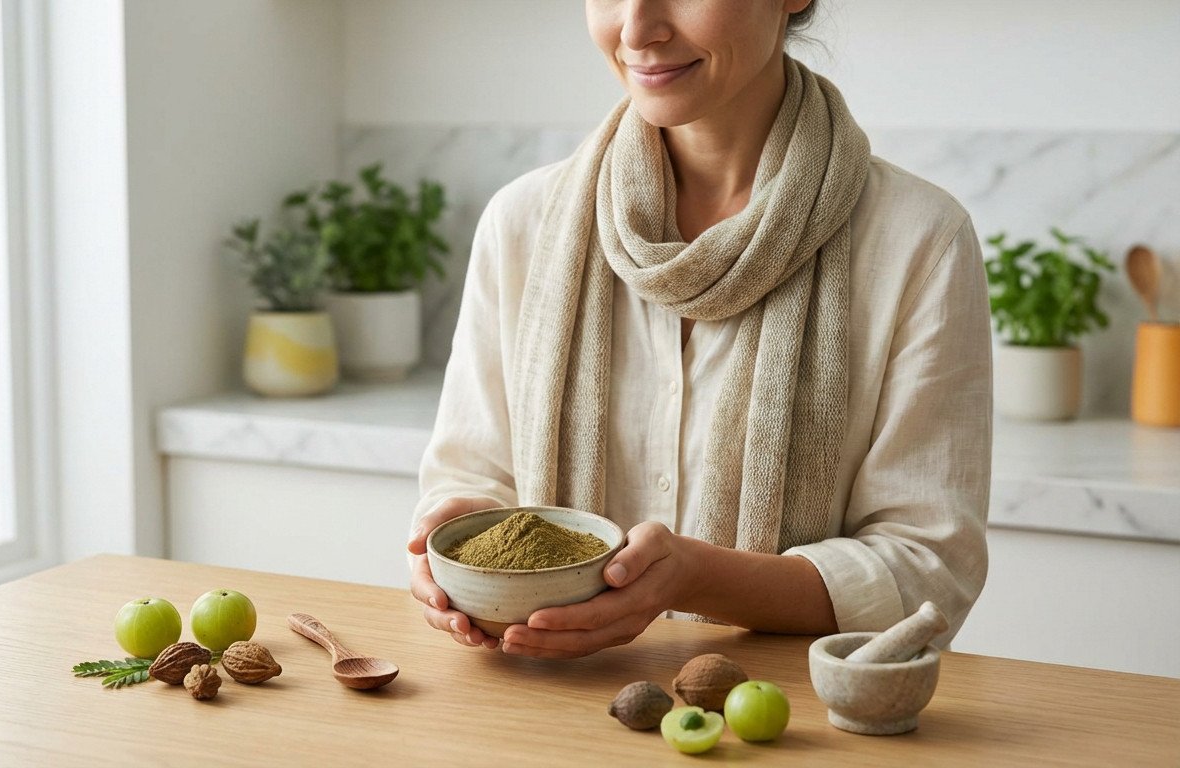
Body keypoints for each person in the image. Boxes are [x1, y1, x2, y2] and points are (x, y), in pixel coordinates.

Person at [406, 0, 991, 659]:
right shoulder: (523, 225)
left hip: (785, 731)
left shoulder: (917, 239)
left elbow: (928, 572)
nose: (636, 30)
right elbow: (474, 477)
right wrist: (455, 536)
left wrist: (696, 578)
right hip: (545, 710)